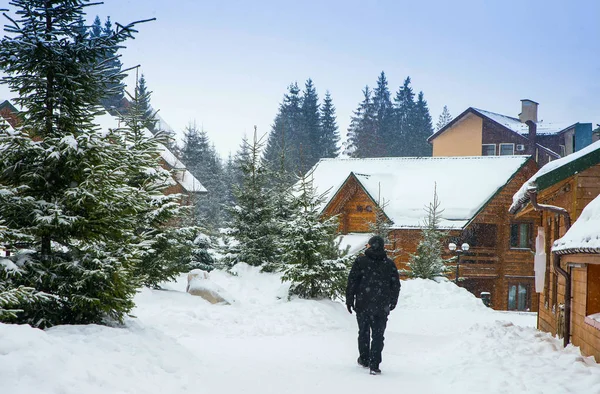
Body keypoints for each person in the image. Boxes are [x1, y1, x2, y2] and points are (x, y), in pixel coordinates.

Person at [346, 235, 400, 375]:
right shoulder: (389, 264)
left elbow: (352, 282)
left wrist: (350, 299)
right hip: (381, 306)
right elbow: (395, 285)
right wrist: (393, 301)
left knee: (363, 332)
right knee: (378, 335)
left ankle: (364, 359)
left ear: (369, 246)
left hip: (363, 304)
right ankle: (374, 364)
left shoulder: (360, 262)